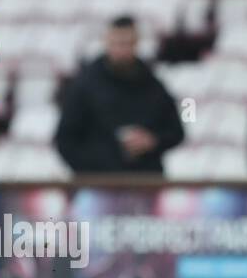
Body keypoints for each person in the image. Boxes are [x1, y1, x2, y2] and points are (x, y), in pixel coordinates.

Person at [53, 15, 184, 175]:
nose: (122, 50)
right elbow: (65, 139)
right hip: (98, 185)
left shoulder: (152, 84)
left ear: (137, 43)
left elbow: (176, 131)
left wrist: (152, 141)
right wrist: (93, 170)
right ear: (107, 42)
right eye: (118, 43)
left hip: (143, 181)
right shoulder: (85, 85)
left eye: (128, 43)